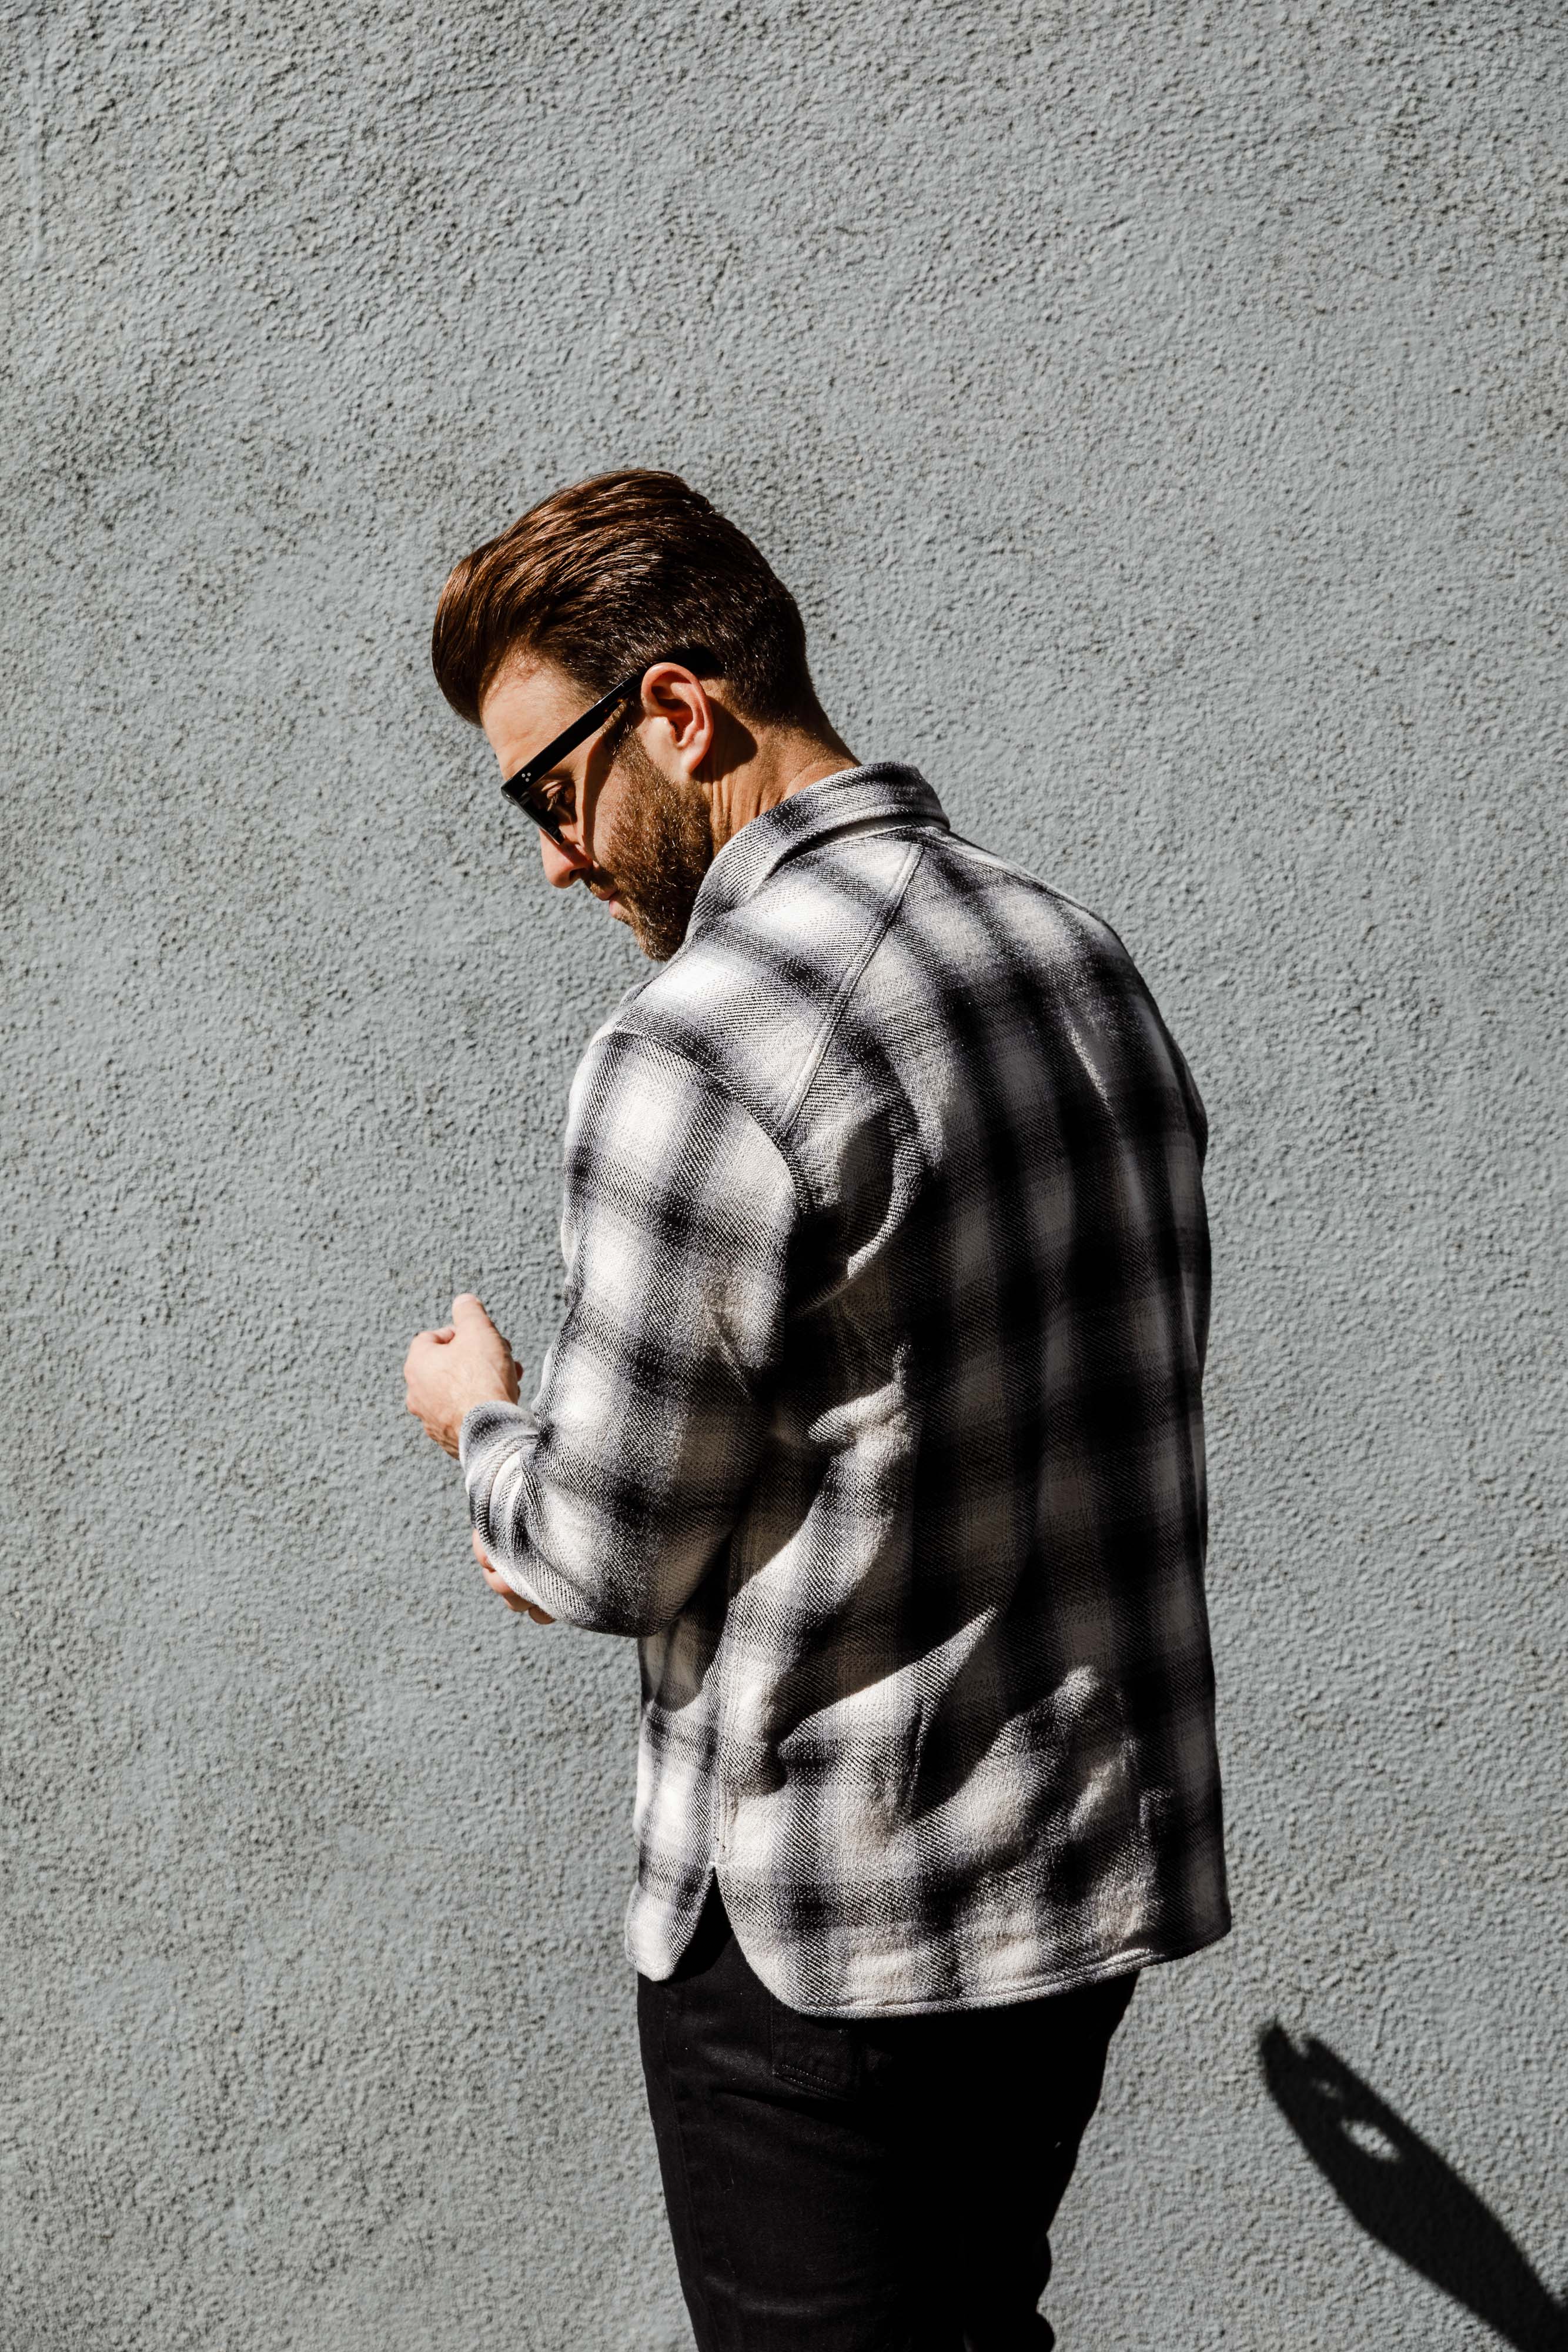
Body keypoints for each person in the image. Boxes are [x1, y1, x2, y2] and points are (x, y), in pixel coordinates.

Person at [402, 469, 1229, 2351]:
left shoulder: (702, 1039)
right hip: (1059, 1899)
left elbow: (606, 1550)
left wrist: (477, 1424)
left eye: (549, 789)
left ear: (680, 713)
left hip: (823, 1941)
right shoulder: (1067, 955)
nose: (553, 856)